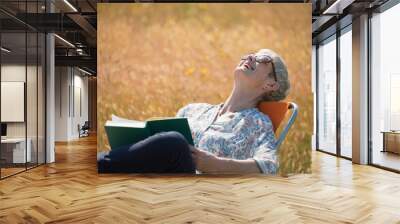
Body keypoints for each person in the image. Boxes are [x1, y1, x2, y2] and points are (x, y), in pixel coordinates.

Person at [98, 49, 290, 175]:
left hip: (199, 194)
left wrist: (215, 164)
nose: (250, 58)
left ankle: (98, 165)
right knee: (165, 141)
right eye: (251, 54)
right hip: (157, 182)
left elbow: (269, 165)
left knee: (175, 143)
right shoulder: (193, 109)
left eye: (262, 59)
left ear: (270, 84)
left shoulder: (258, 123)